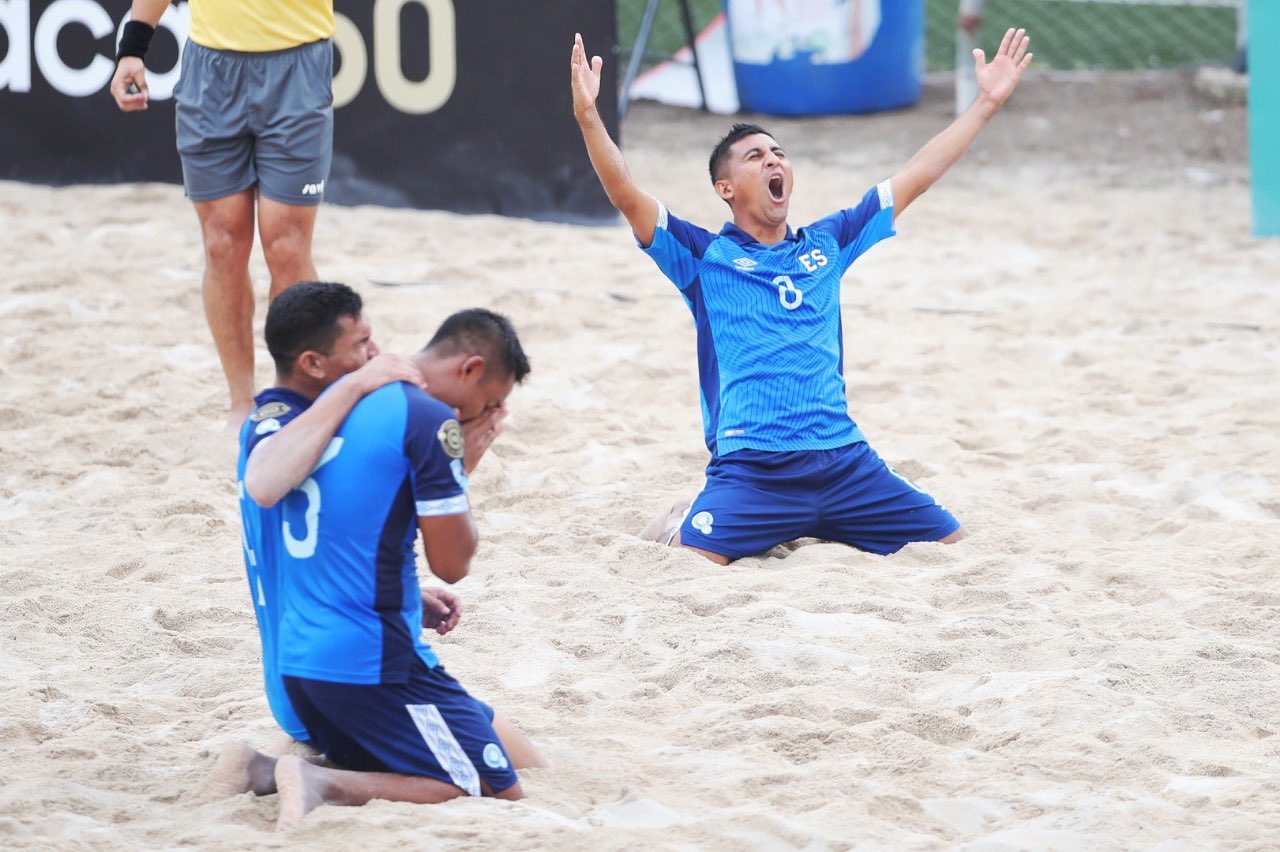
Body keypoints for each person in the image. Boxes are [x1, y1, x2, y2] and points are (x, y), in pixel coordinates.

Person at [570, 29, 1034, 565]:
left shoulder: (828, 242)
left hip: (845, 465)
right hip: (753, 470)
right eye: (754, 156)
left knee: (955, 549)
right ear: (726, 188)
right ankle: (684, 515)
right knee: (687, 568)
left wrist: (986, 103)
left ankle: (820, 519)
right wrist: (588, 117)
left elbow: (917, 175)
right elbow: (625, 192)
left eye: (779, 153)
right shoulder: (703, 256)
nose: (773, 161)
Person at [215, 286, 543, 828]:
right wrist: (453, 457)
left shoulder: (310, 424)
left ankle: (264, 772)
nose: (377, 354)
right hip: (360, 662)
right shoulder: (323, 420)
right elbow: (450, 560)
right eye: (363, 342)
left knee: (525, 754)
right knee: (488, 785)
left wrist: (410, 590)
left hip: (304, 658)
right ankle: (316, 780)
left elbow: (350, 530)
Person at [110, 0, 337, 429]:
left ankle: (291, 398)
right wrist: (133, 46)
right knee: (222, 244)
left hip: (298, 63)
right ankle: (242, 404)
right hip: (211, 69)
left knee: (287, 247)